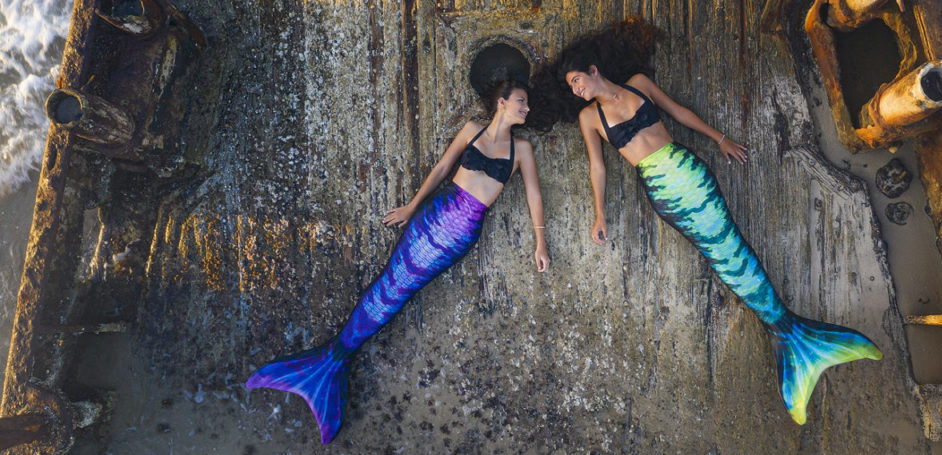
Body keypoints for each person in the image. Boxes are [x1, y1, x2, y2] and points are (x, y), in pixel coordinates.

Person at [533, 19, 881, 425]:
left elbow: (678, 112)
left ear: (594, 70)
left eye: (579, 80)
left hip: (689, 170)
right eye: (572, 87)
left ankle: (789, 332)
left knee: (731, 246)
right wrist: (599, 213)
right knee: (721, 257)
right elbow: (598, 167)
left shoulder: (638, 83)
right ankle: (790, 334)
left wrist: (719, 139)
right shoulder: (589, 119)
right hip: (663, 190)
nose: (577, 90)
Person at [246, 79, 549, 444]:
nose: (525, 108)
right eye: (521, 101)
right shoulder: (472, 129)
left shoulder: (523, 150)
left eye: (527, 103)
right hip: (434, 217)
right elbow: (441, 171)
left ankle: (331, 364)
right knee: (390, 287)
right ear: (501, 102)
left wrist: (540, 243)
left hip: (461, 234)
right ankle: (331, 361)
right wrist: (411, 206)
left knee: (399, 292)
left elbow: (534, 195)